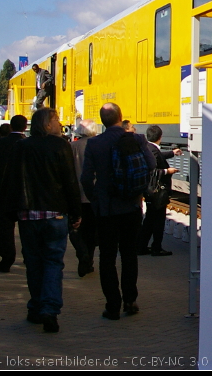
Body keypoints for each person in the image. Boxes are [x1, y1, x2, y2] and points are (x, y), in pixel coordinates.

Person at [4, 108, 82, 333]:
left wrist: (9, 213)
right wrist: (76, 212)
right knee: (53, 262)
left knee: (33, 262)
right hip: (55, 214)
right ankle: (49, 309)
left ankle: (36, 307)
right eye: (56, 120)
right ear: (47, 124)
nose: (59, 123)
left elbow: (11, 180)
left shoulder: (21, 147)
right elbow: (70, 181)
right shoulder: (60, 146)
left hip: (28, 215)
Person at [81, 102, 155, 320]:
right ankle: (130, 300)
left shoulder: (94, 143)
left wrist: (95, 198)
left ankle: (112, 306)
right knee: (129, 255)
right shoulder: (137, 139)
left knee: (107, 257)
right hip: (131, 205)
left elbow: (85, 178)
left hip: (106, 209)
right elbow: (151, 164)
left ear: (102, 121)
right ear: (121, 117)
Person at [0, 115, 28, 273]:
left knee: (5, 228)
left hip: (4, 189)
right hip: (25, 191)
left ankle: (7, 259)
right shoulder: (28, 144)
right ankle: (28, 255)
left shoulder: (0, 143)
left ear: (11, 126)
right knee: (26, 228)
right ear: (25, 127)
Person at [138, 125, 182, 256]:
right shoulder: (152, 150)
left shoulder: (149, 148)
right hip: (157, 192)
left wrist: (172, 153)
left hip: (151, 191)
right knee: (158, 221)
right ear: (160, 137)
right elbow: (152, 171)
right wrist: (167, 171)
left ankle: (141, 247)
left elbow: (158, 156)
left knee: (150, 220)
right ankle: (156, 247)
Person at [69, 119, 98, 277]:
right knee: (91, 231)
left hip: (76, 195)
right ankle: (89, 260)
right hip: (94, 195)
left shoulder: (72, 146)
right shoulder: (99, 145)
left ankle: (82, 254)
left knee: (75, 229)